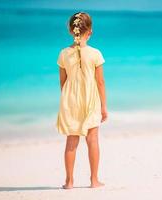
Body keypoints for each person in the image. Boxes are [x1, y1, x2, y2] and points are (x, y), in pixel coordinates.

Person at [55, 11, 107, 189]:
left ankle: (69, 182)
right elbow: (100, 82)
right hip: (91, 100)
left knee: (71, 140)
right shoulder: (95, 54)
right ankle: (94, 180)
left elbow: (63, 82)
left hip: (70, 101)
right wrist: (104, 107)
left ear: (71, 30)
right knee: (92, 139)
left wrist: (68, 100)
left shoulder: (63, 54)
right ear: (90, 32)